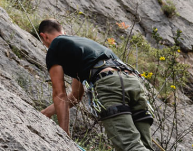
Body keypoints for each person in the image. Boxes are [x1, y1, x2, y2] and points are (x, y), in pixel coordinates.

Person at [37, 19, 155, 151]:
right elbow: (75, 96)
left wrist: (63, 137)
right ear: (63, 31)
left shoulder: (55, 46)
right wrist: (45, 113)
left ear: (44, 36)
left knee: (130, 147)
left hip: (110, 84)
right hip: (133, 82)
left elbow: (59, 94)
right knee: (144, 147)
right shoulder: (83, 46)